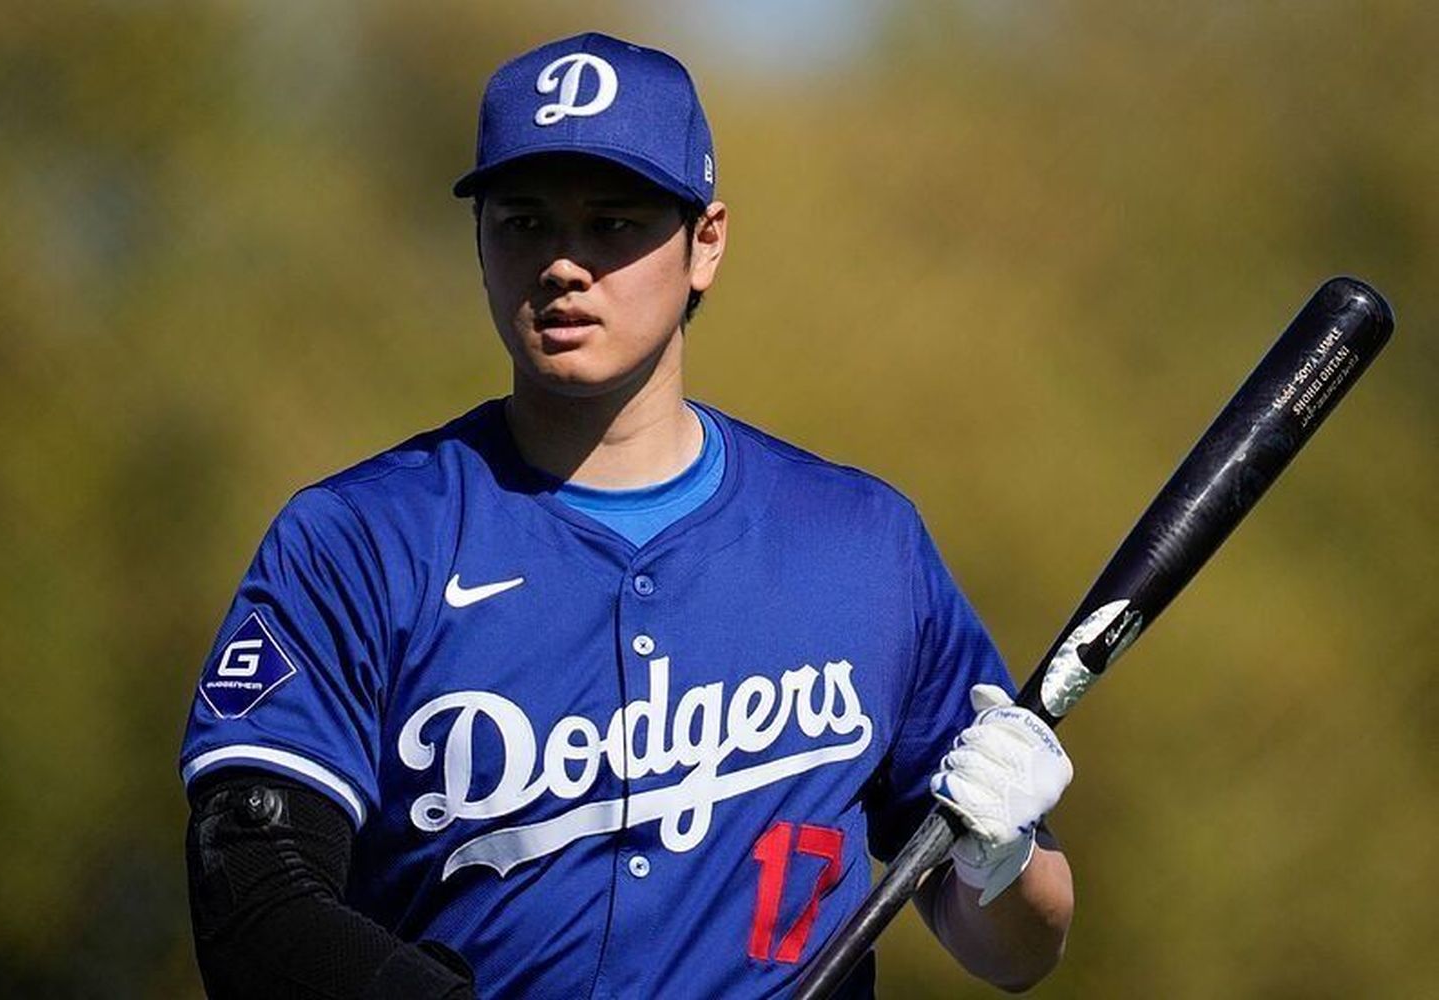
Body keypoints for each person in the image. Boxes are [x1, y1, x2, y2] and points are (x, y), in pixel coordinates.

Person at [180, 31, 1074, 999]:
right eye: (524, 223)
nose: (564, 264)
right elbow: (253, 901)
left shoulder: (863, 544)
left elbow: (1018, 951)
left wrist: (1004, 859)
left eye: (612, 224)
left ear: (707, 242)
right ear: (479, 244)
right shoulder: (358, 541)